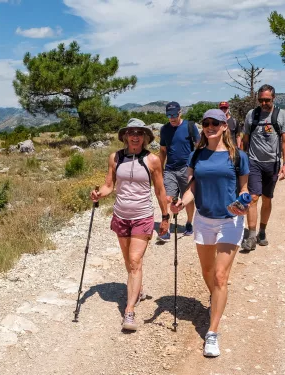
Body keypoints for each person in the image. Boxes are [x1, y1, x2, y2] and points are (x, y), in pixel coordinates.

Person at [171, 109, 250, 357]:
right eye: (206, 123)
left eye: (215, 123)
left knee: (219, 276)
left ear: (225, 126)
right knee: (206, 271)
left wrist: (243, 201)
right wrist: (181, 204)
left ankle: (212, 333)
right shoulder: (197, 155)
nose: (210, 126)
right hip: (203, 219)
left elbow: (244, 188)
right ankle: (215, 299)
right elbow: (193, 186)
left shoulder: (238, 156)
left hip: (230, 221)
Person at [90, 118, 169, 331]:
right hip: (121, 216)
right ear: (125, 136)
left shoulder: (152, 160)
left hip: (143, 216)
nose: (135, 136)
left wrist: (165, 216)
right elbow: (109, 185)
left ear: (145, 137)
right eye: (131, 132)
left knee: (135, 260)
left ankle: (129, 311)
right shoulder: (115, 157)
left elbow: (160, 191)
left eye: (139, 132)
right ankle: (138, 289)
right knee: (128, 261)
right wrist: (99, 194)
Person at [241, 84, 285, 252]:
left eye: (267, 100)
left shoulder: (281, 115)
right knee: (253, 197)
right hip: (253, 162)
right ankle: (252, 236)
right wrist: (240, 161)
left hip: (273, 163)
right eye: (261, 100)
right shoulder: (252, 115)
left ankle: (262, 230)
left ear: (273, 98)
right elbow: (245, 139)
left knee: (267, 199)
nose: (263, 103)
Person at [157, 101, 200, 240]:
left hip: (186, 169)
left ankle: (189, 222)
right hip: (170, 169)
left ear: (180, 112)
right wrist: (160, 169)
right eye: (169, 115)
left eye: (174, 114)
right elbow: (163, 150)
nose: (172, 118)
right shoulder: (164, 129)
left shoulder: (190, 126)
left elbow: (199, 146)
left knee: (187, 198)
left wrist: (197, 165)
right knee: (167, 198)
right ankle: (167, 228)